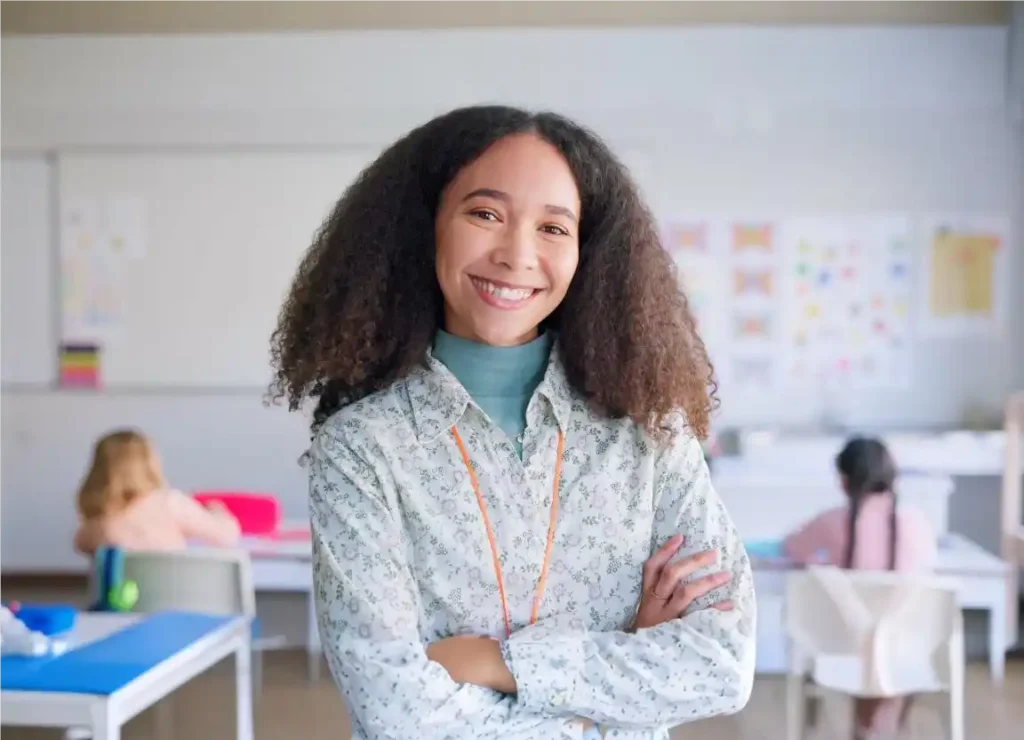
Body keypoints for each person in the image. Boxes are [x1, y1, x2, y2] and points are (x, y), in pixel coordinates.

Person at [270, 105, 755, 739]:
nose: (517, 255)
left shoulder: (650, 431)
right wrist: (611, 690)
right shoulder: (362, 448)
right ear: (427, 228)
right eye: (485, 214)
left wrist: (501, 663)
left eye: (554, 228)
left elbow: (723, 665)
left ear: (588, 251)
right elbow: (395, 713)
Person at [783, 436, 938, 738]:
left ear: (844, 481)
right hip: (906, 649)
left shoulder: (831, 522)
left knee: (868, 636)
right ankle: (883, 722)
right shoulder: (916, 523)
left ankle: (867, 725)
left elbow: (792, 549)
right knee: (888, 635)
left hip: (843, 647)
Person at [73, 429, 241, 556]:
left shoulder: (99, 523)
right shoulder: (170, 503)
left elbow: (80, 543)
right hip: (177, 599)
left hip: (121, 602)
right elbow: (227, 537)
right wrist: (218, 511)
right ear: (150, 463)